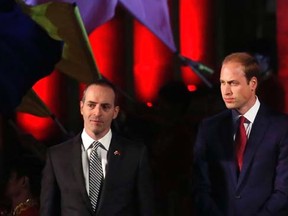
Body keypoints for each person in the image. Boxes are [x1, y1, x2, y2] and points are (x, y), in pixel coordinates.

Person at [40, 79, 155, 216]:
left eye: (105, 107)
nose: (97, 113)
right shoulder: (57, 156)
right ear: (81, 107)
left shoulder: (135, 154)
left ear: (115, 112)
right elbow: (48, 211)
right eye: (91, 105)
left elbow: (146, 209)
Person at [193, 52, 288, 216]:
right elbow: (200, 186)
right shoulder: (209, 128)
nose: (226, 91)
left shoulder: (281, 127)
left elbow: (284, 190)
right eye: (222, 83)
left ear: (252, 84)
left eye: (233, 83)